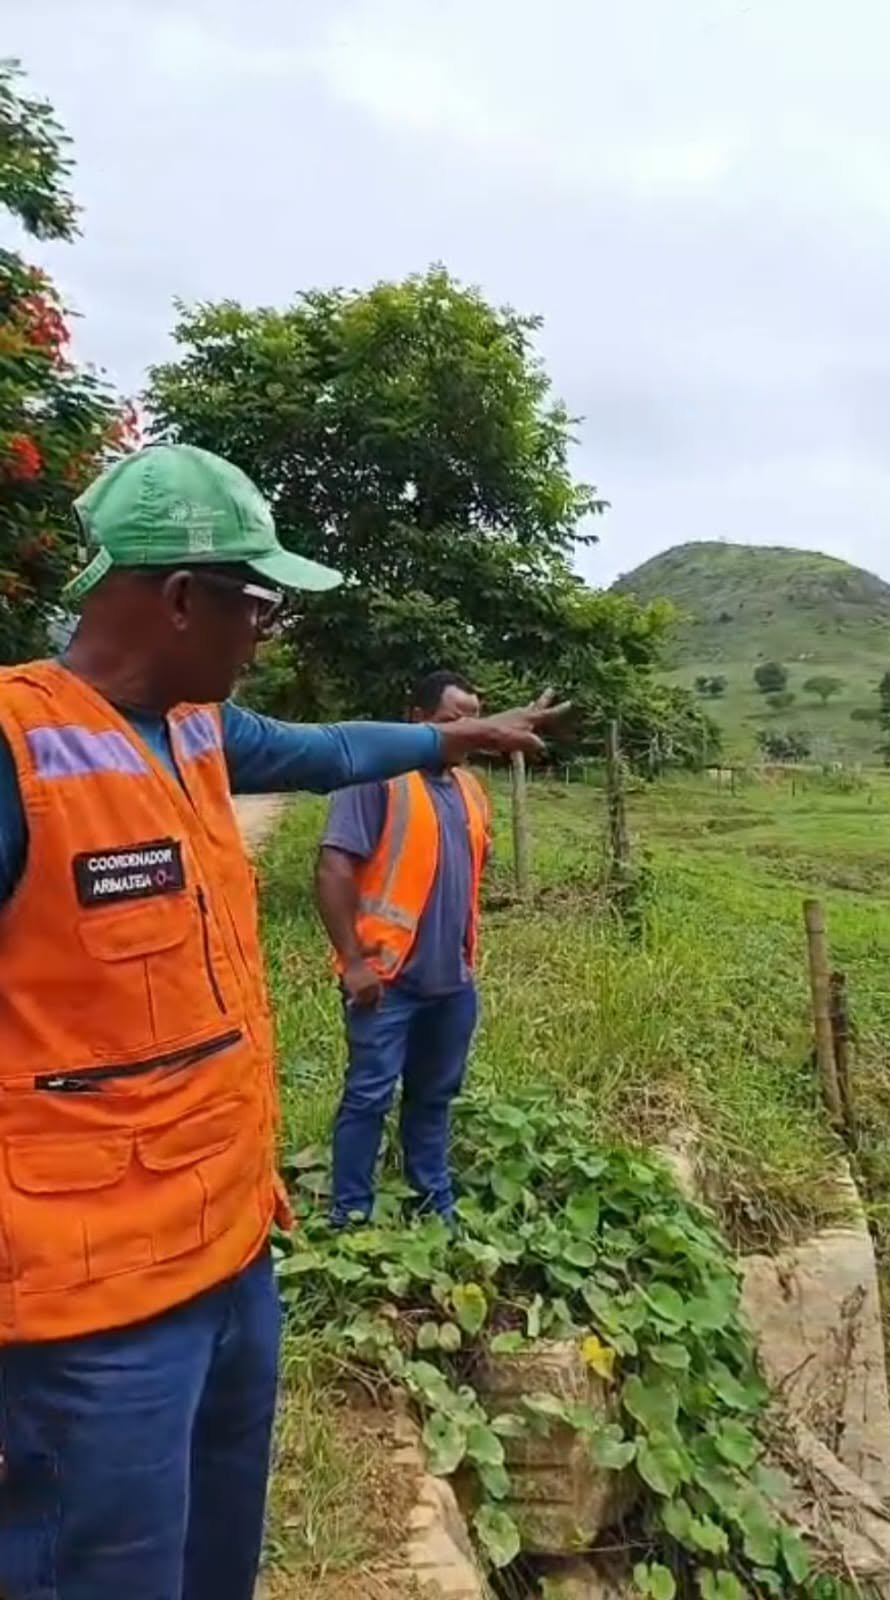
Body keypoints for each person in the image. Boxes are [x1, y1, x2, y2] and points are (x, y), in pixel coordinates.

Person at [0, 442, 567, 1600]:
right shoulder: (16, 752)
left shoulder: (198, 731)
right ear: (179, 598)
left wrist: (454, 739)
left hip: (232, 1261)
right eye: (258, 605)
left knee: (216, 1562)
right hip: (88, 1321)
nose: (266, 634)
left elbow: (333, 751)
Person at [317, 669, 491, 1226]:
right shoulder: (377, 777)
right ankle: (350, 1214)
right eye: (448, 722)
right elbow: (334, 867)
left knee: (435, 1095)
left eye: (473, 723)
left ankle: (432, 1199)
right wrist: (353, 962)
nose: (463, 734)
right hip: (384, 982)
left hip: (451, 981)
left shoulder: (470, 789)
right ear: (416, 719)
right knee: (369, 1096)